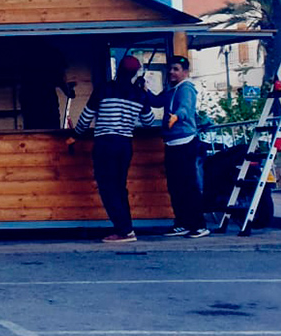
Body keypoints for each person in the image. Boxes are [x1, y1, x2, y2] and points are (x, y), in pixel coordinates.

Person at [72, 55, 159, 242]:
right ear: (134, 74)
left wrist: (76, 135)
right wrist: (144, 91)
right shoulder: (139, 94)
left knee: (108, 188)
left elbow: (86, 118)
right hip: (125, 145)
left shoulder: (104, 88)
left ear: (118, 69)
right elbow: (149, 122)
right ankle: (126, 228)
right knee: (119, 187)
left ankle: (124, 231)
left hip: (105, 143)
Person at [157, 54, 209, 238]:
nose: (171, 72)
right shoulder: (171, 90)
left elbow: (185, 108)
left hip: (185, 142)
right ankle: (182, 223)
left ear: (185, 72)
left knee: (188, 185)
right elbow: (157, 101)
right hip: (171, 142)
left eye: (176, 69)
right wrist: (144, 90)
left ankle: (199, 225)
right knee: (175, 186)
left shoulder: (186, 88)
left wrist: (176, 117)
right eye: (170, 69)